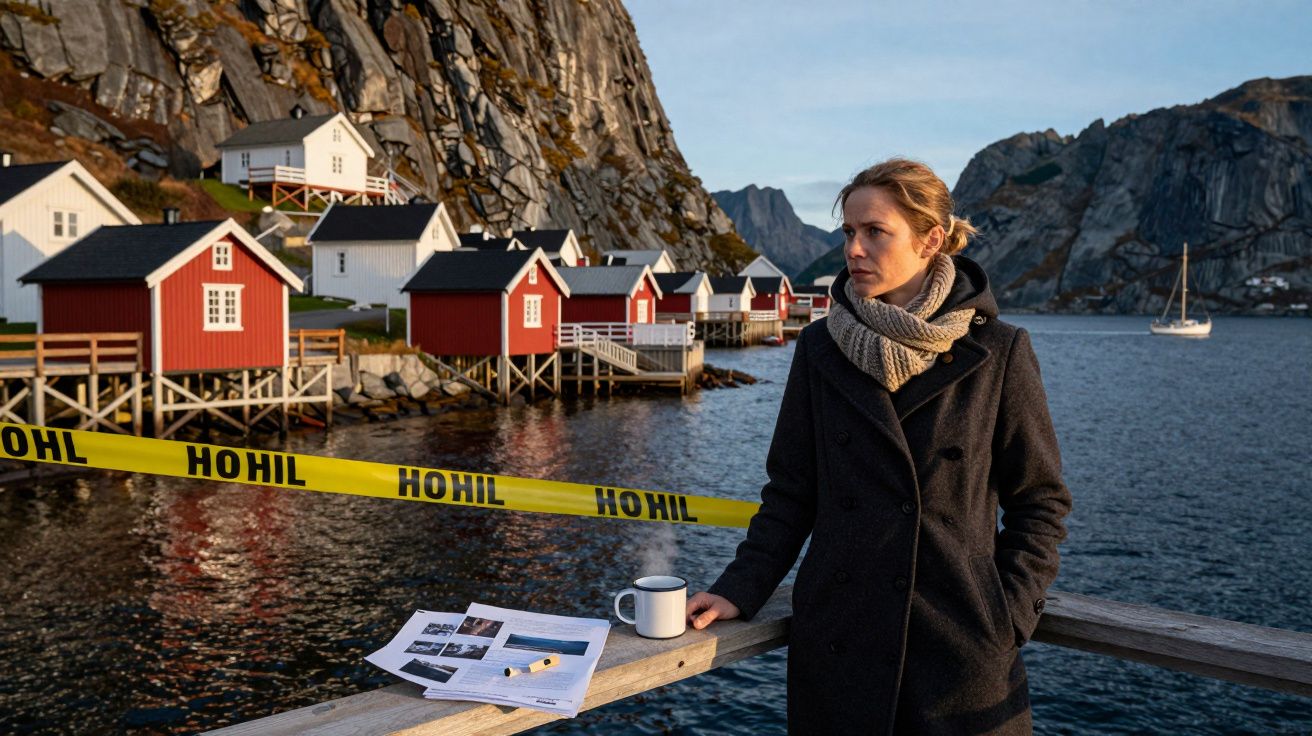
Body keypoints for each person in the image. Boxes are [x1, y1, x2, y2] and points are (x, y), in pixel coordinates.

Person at [686, 158, 1073, 735]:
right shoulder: (820, 347)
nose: (854, 249)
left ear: (930, 240)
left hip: (960, 657)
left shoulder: (999, 352)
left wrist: (1005, 616)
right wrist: (738, 589)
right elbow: (792, 493)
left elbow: (1040, 503)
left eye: (875, 232)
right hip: (842, 646)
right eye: (848, 232)